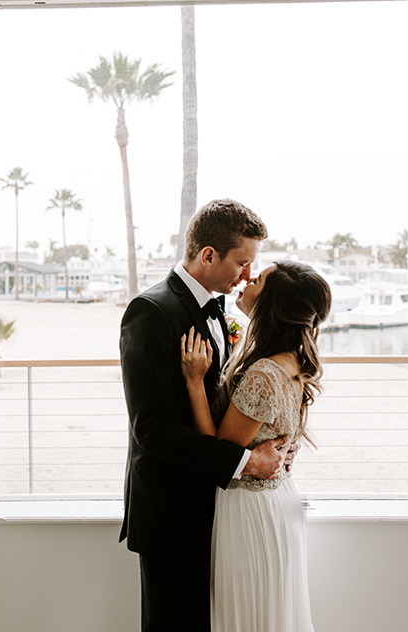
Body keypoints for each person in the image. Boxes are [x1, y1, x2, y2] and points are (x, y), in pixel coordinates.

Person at [119, 199, 295, 632]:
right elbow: (153, 427)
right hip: (172, 510)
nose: (247, 275)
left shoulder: (219, 310)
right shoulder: (152, 312)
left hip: (216, 506)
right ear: (208, 255)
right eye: (241, 262)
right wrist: (245, 461)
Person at [181, 260, 332, 632]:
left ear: (273, 304)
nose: (248, 278)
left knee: (250, 615)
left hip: (251, 509)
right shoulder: (292, 361)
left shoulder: (265, 373)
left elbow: (219, 449)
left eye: (259, 278)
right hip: (275, 501)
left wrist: (195, 381)